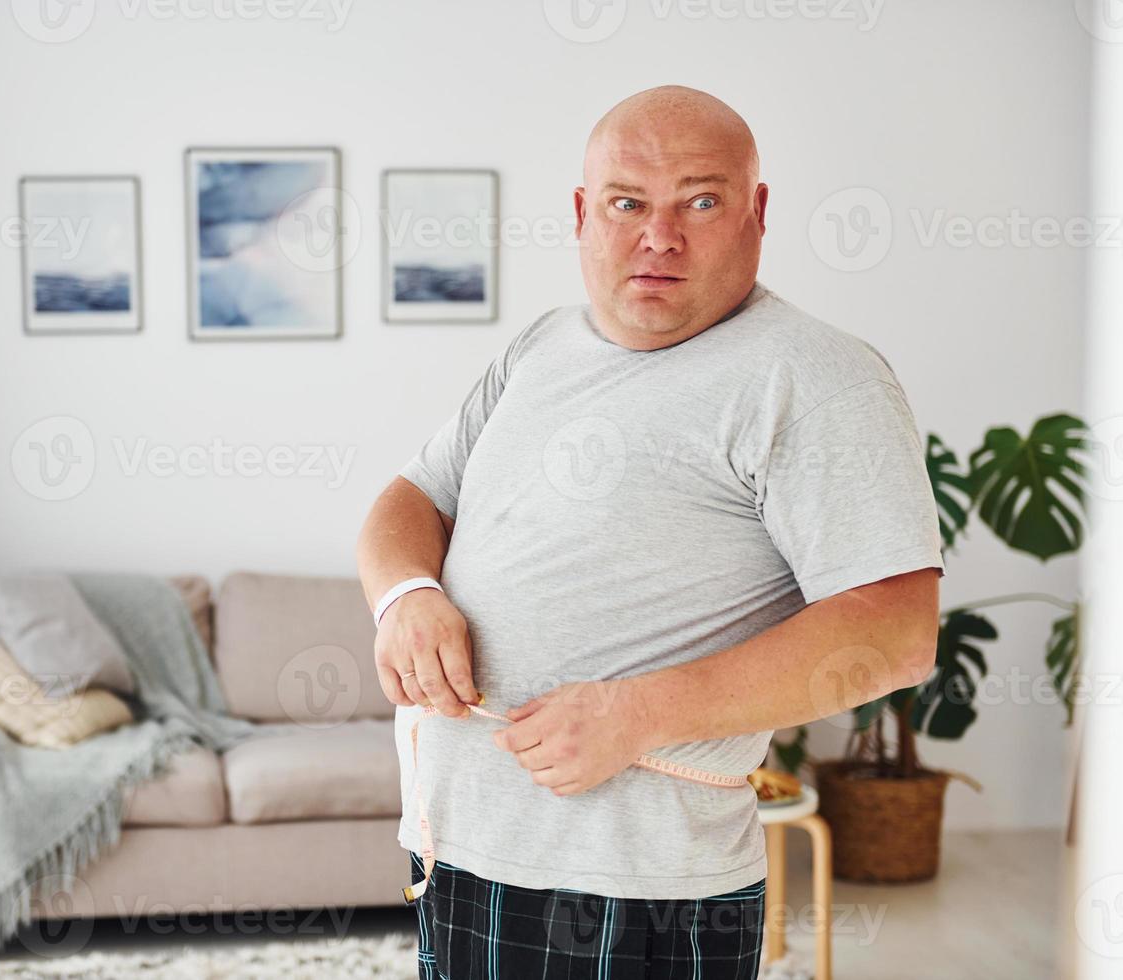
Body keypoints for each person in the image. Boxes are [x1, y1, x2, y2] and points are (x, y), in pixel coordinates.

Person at [356, 85, 945, 980]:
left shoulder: (817, 378)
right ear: (585, 215)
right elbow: (413, 497)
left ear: (757, 213)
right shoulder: (543, 348)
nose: (659, 236)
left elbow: (896, 633)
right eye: (629, 202)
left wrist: (638, 716)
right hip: (463, 848)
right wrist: (405, 595)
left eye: (700, 201)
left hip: (635, 894)